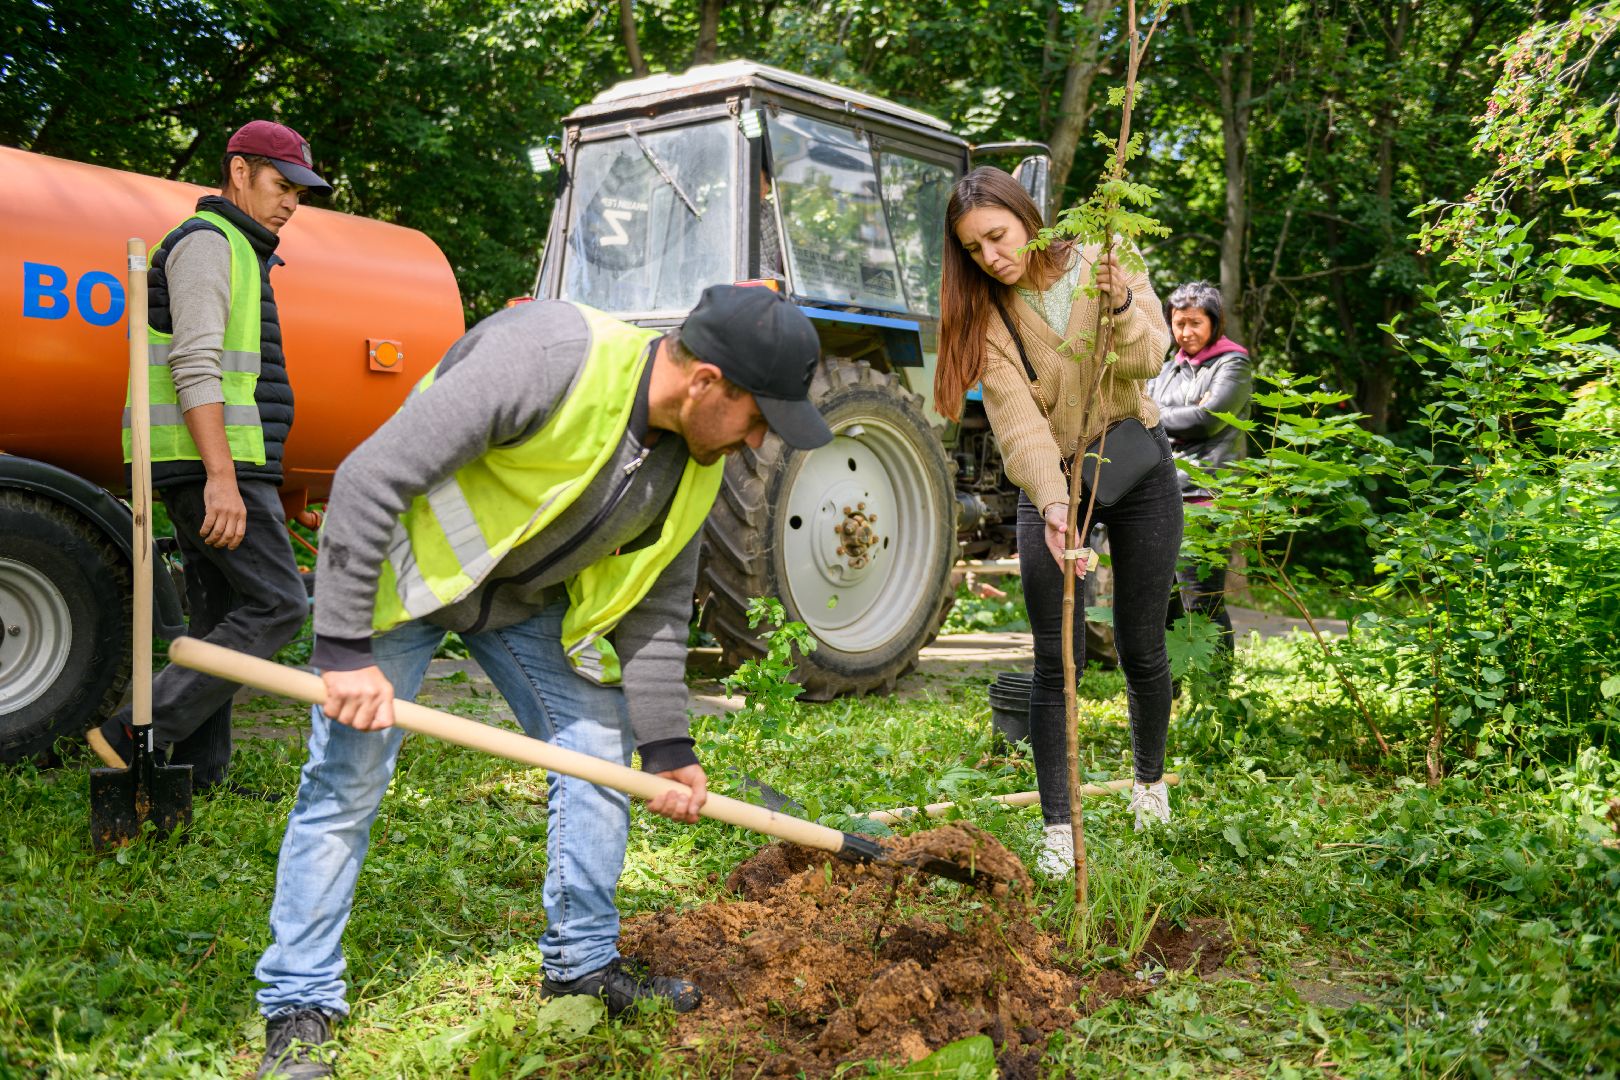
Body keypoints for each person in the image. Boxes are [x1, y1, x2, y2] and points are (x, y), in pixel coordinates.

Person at [253, 285, 831, 1079]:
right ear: (707, 382)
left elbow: (658, 606)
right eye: (758, 418)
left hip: (521, 602)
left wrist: (667, 746)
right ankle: (298, 1002)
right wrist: (345, 649)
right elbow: (369, 478)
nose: (758, 442)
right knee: (347, 781)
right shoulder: (550, 357)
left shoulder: (698, 464)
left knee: (596, 753)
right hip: (408, 582)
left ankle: (581, 966)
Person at [934, 167, 1180, 876]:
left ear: (1026, 217)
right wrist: (1051, 504)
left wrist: (1121, 301)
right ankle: (1058, 830)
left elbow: (1148, 359)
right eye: (974, 249)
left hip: (1136, 464)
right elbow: (1017, 423)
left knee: (1140, 644)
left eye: (997, 236)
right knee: (1053, 659)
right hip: (1055, 481)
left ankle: (1149, 785)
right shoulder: (990, 318)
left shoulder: (1105, 257)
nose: (991, 257)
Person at [90, 121, 332, 795]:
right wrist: (223, 477)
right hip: (212, 465)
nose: (291, 203)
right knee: (280, 604)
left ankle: (199, 777)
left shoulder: (242, 250)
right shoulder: (208, 243)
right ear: (239, 172)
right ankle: (133, 733)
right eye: (281, 185)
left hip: (222, 462)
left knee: (217, 621)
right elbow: (194, 364)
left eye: (299, 193)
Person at [1147, 281, 1253, 670]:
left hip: (1206, 495)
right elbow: (1140, 413)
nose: (1186, 332)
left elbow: (1207, 421)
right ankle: (1170, 686)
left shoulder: (1232, 364)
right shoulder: (1168, 369)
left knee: (1202, 600)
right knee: (1163, 600)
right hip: (1162, 493)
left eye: (1195, 323)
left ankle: (1215, 688)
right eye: (1179, 323)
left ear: (1214, 322)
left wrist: (1158, 414)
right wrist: (1182, 413)